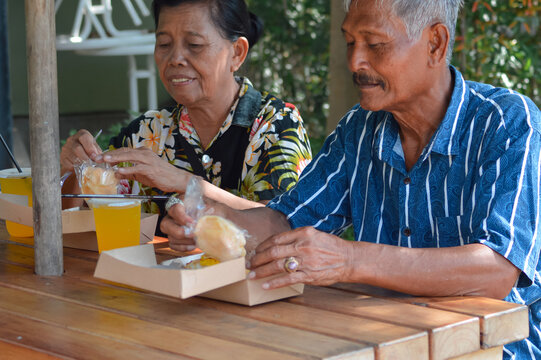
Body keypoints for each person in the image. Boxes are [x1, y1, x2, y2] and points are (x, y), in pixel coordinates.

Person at [161, 0, 541, 358]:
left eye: (375, 44)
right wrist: (214, 221)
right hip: (382, 343)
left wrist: (347, 260)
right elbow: (286, 219)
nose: (355, 60)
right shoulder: (359, 130)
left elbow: (496, 270)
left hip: (492, 350)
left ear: (435, 44)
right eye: (350, 42)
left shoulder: (507, 123)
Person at [60, 0, 312, 234]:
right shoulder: (149, 132)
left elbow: (286, 225)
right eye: (164, 45)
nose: (175, 59)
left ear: (236, 53)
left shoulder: (276, 124)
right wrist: (75, 169)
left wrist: (185, 182)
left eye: (194, 45)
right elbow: (76, 215)